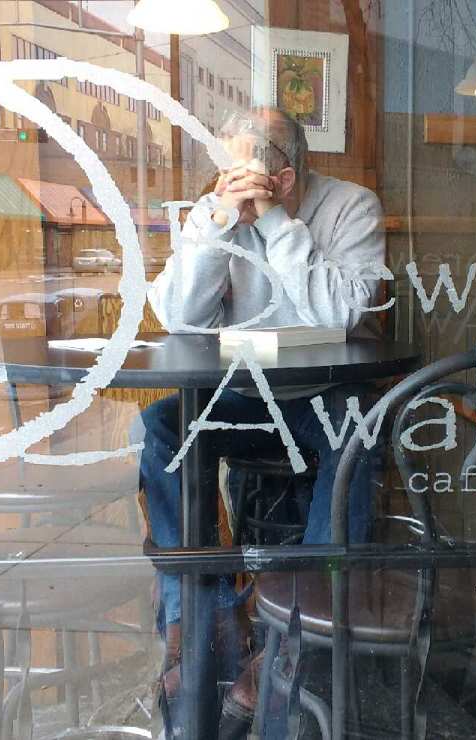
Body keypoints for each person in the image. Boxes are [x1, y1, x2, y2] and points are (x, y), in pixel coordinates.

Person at [131, 107, 386, 731]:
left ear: (289, 178)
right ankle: (201, 616)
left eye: (243, 177)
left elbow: (343, 314)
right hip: (242, 393)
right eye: (225, 171)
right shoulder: (215, 207)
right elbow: (179, 318)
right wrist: (216, 227)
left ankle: (296, 632)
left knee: (356, 431)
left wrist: (275, 223)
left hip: (319, 393)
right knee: (165, 428)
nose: (229, 185)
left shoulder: (351, 206)